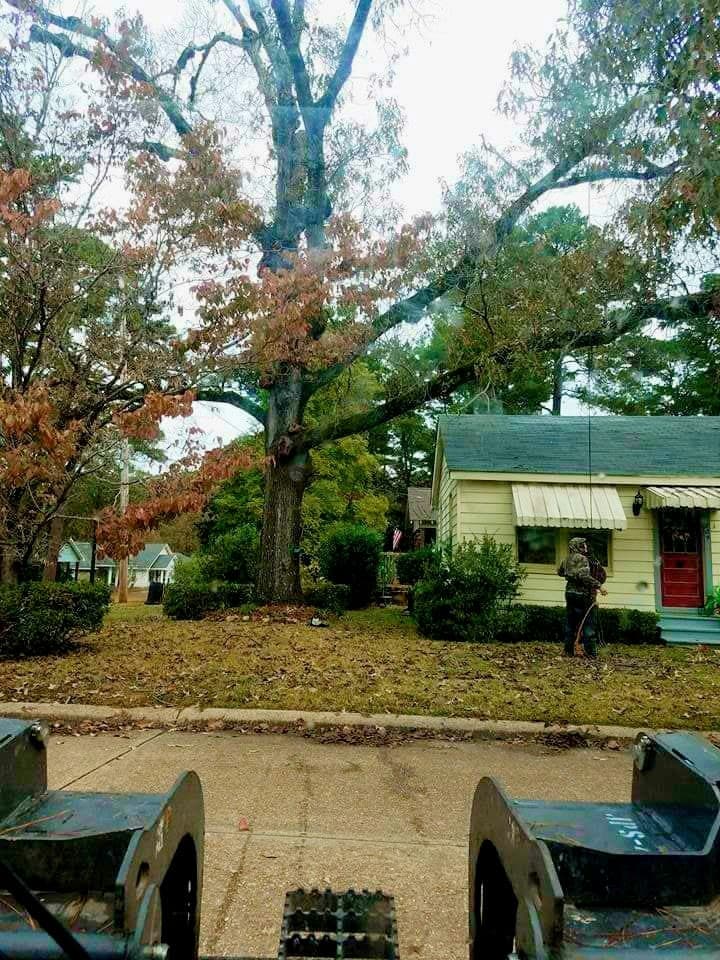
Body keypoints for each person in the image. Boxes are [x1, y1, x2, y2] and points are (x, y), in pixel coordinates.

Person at [557, 537, 607, 658]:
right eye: (583, 545)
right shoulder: (583, 558)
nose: (585, 547)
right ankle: (591, 653)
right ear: (577, 547)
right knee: (589, 623)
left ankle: (568, 651)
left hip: (569, 593)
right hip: (584, 594)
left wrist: (570, 573)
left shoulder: (566, 559)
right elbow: (584, 577)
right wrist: (599, 586)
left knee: (570, 623)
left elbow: (560, 572)